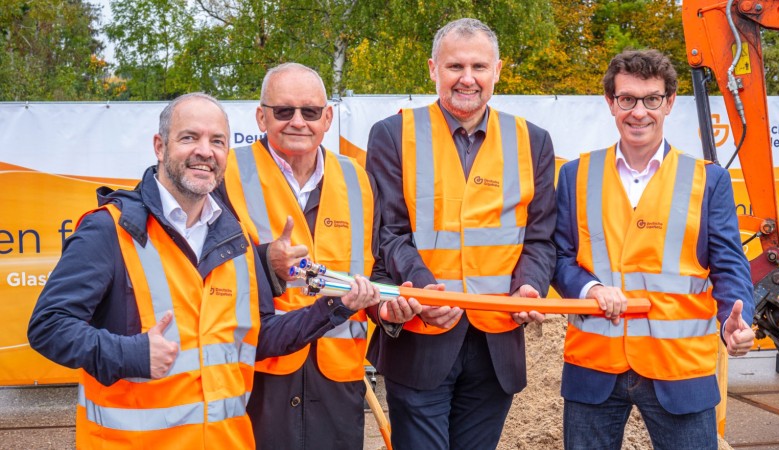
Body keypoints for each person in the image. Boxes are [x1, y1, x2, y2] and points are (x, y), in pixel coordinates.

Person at [27, 92, 380, 449]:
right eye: (189, 137)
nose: (204, 151)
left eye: (217, 141)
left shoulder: (235, 238)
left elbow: (259, 338)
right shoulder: (109, 230)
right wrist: (129, 354)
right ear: (160, 146)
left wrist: (336, 307)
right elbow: (48, 326)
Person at [365, 18, 557, 449]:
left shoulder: (533, 142)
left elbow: (540, 239)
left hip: (497, 343)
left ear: (498, 71)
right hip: (420, 339)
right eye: (455, 67)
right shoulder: (393, 135)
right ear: (433, 69)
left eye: (479, 67)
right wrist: (429, 292)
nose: (467, 79)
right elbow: (389, 233)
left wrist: (529, 285)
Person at [552, 49, 756, 450]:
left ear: (669, 103)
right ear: (611, 103)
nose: (639, 111)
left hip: (679, 370)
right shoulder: (575, 175)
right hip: (594, 366)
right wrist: (591, 289)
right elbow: (558, 258)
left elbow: (730, 267)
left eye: (651, 99)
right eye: (627, 99)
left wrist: (738, 318)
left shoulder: (707, 181)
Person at [220, 62, 421, 450]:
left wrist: (384, 309)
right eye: (283, 111)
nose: (298, 121)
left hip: (338, 378)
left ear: (327, 117)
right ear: (261, 116)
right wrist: (266, 261)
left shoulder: (358, 179)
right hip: (258, 375)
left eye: (310, 111)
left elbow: (373, 268)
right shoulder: (226, 172)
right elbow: (205, 270)